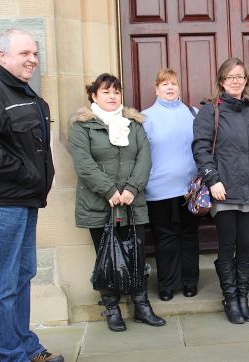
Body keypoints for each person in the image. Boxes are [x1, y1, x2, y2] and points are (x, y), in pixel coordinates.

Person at [0, 29, 62, 362]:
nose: (32, 60)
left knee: (22, 276)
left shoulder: (22, 92)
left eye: (35, 54)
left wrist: (38, 179)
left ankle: (25, 347)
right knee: (2, 285)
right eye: (24, 53)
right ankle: (8, 356)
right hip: (3, 203)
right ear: (2, 56)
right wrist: (26, 174)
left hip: (25, 200)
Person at [69, 73, 165, 332]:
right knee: (107, 258)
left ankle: (141, 306)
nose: (112, 97)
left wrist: (132, 188)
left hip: (132, 203)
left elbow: (145, 157)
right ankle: (111, 309)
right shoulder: (82, 126)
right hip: (99, 205)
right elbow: (84, 164)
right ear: (93, 96)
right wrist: (110, 190)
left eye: (116, 92)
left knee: (136, 255)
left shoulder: (134, 125)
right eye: (106, 92)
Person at [192, 57, 249, 324]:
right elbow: (201, 149)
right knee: (227, 246)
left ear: (246, 80)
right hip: (223, 192)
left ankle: (243, 297)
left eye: (240, 76)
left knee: (246, 246)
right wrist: (213, 180)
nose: (236, 81)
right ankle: (230, 298)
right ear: (221, 81)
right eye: (230, 77)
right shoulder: (210, 111)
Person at [142, 69, 200, 301]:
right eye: (164, 84)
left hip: (190, 190)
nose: (169, 87)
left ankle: (189, 282)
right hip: (158, 190)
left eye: (173, 83)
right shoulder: (145, 117)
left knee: (189, 236)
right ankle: (167, 284)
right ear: (156, 89)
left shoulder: (193, 113)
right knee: (164, 238)